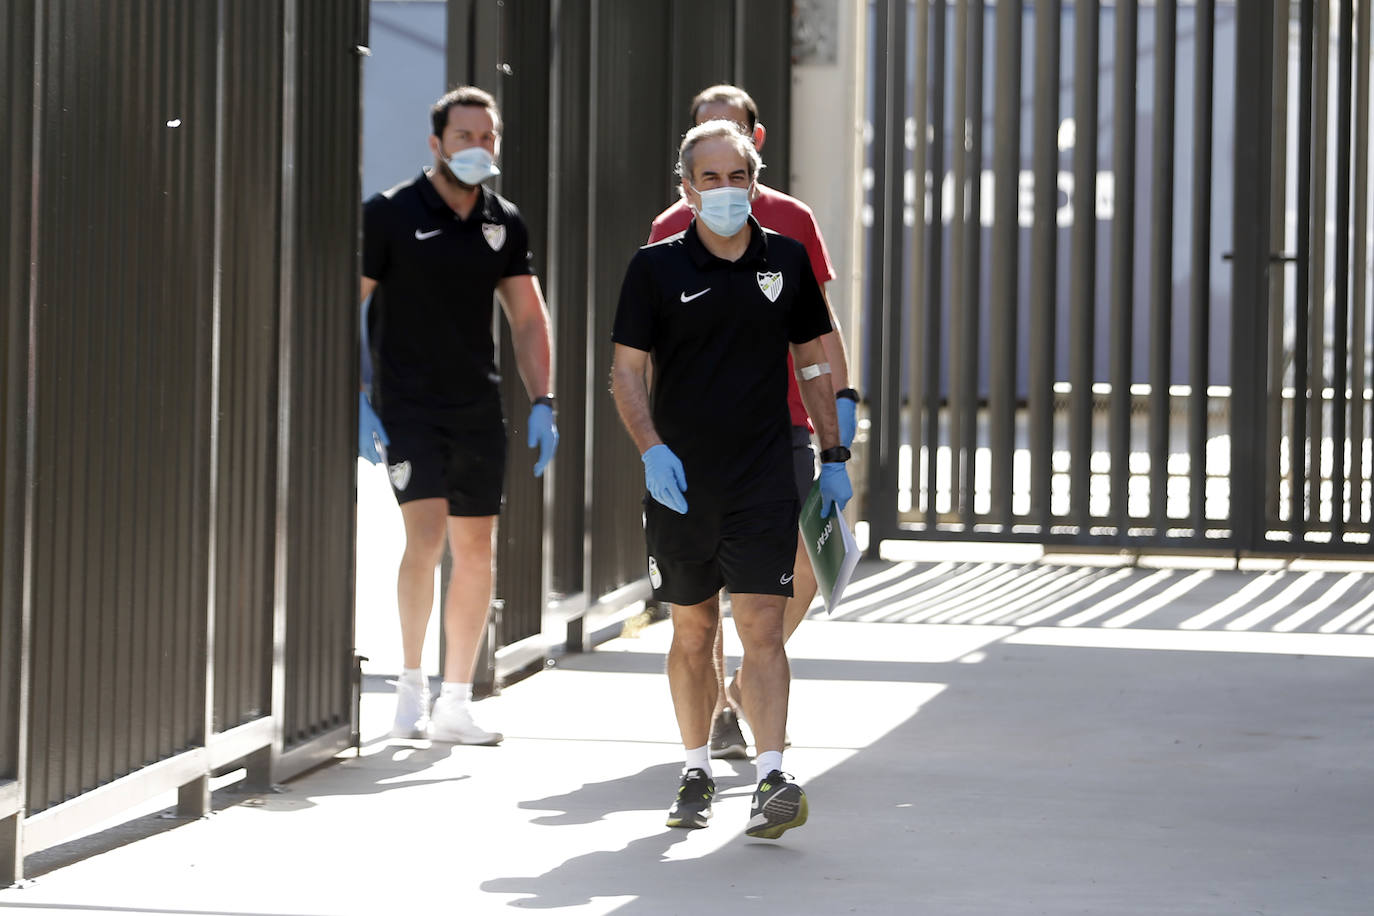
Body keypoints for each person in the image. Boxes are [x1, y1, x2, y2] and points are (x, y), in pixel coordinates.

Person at [611, 120, 854, 839]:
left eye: (737, 177)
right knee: (693, 630)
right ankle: (696, 770)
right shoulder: (653, 269)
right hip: (683, 478)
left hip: (761, 473)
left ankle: (772, 773)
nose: (724, 191)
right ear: (685, 189)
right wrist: (652, 449)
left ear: (757, 180)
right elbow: (626, 371)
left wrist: (835, 454)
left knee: (763, 629)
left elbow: (814, 360)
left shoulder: (786, 257)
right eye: (709, 179)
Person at [359, 86, 558, 746]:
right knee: (427, 536)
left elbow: (527, 317)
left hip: (476, 405)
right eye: (465, 135)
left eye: (487, 137)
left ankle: (456, 698)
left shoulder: (503, 221)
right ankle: (410, 687)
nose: (477, 148)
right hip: (407, 404)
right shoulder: (389, 214)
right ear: (436, 142)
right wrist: (356, 394)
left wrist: (543, 401)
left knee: (477, 549)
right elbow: (348, 305)